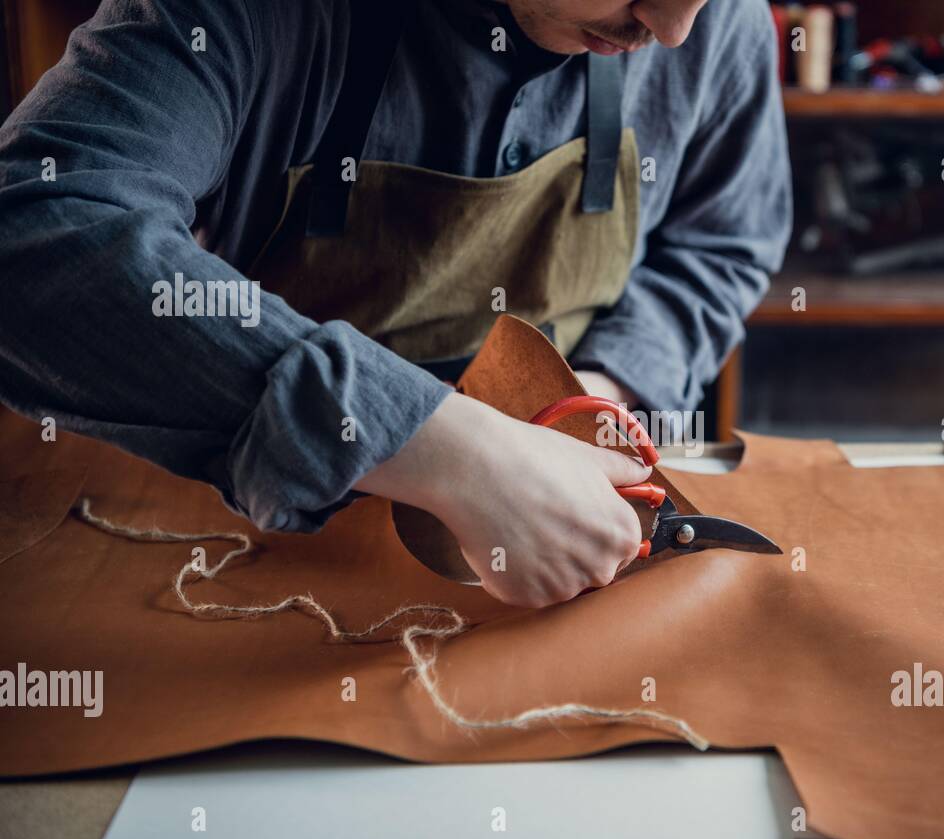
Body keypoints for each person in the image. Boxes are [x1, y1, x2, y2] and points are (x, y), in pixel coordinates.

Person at [0, 0, 791, 607]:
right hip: (245, 543)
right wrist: (445, 448)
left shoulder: (712, 22)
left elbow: (720, 244)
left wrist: (593, 404)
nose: (676, 29)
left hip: (566, 515)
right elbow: (37, 231)